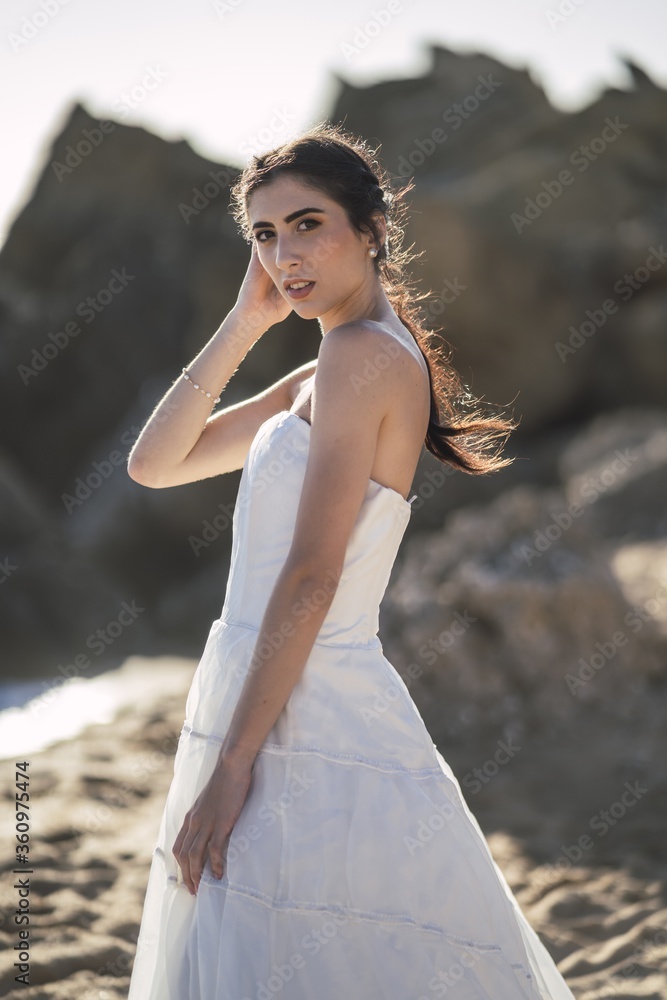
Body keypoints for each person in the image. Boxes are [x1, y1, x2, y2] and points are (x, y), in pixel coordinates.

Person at [125, 122, 576, 999]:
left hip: (306, 710)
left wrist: (232, 769)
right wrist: (248, 317)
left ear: (370, 230)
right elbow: (155, 464)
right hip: (267, 687)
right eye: (264, 235)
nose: (284, 252)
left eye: (307, 224)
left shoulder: (360, 356)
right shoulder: (320, 369)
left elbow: (312, 577)